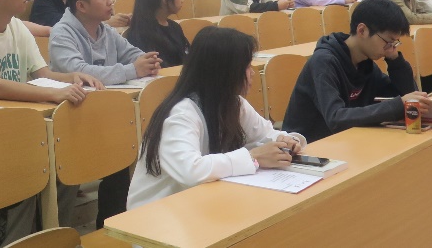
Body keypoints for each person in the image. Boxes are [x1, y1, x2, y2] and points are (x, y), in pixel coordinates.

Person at [128, 27, 306, 209]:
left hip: (199, 202)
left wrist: (287, 141)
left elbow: (266, 134)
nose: (252, 72)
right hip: (158, 213)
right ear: (225, 71)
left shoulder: (234, 103)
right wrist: (253, 157)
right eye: (246, 66)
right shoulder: (181, 114)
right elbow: (191, 171)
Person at [49, 0, 161, 225]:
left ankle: (113, 225)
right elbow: (79, 72)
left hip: (106, 118)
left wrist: (147, 61)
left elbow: (134, 54)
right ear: (81, 5)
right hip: (74, 121)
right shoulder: (62, 33)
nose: (110, 0)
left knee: (130, 150)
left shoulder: (106, 31)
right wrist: (132, 70)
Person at [282, 0, 426, 143]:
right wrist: (398, 105)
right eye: (388, 42)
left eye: (395, 43)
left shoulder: (365, 63)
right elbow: (336, 118)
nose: (391, 48)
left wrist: (395, 61)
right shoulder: (324, 62)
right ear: (362, 30)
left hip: (344, 141)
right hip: (306, 147)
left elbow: (408, 97)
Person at [124, 0, 190, 68]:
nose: (182, 0)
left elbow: (188, 54)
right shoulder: (143, 32)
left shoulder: (175, 26)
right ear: (165, 0)